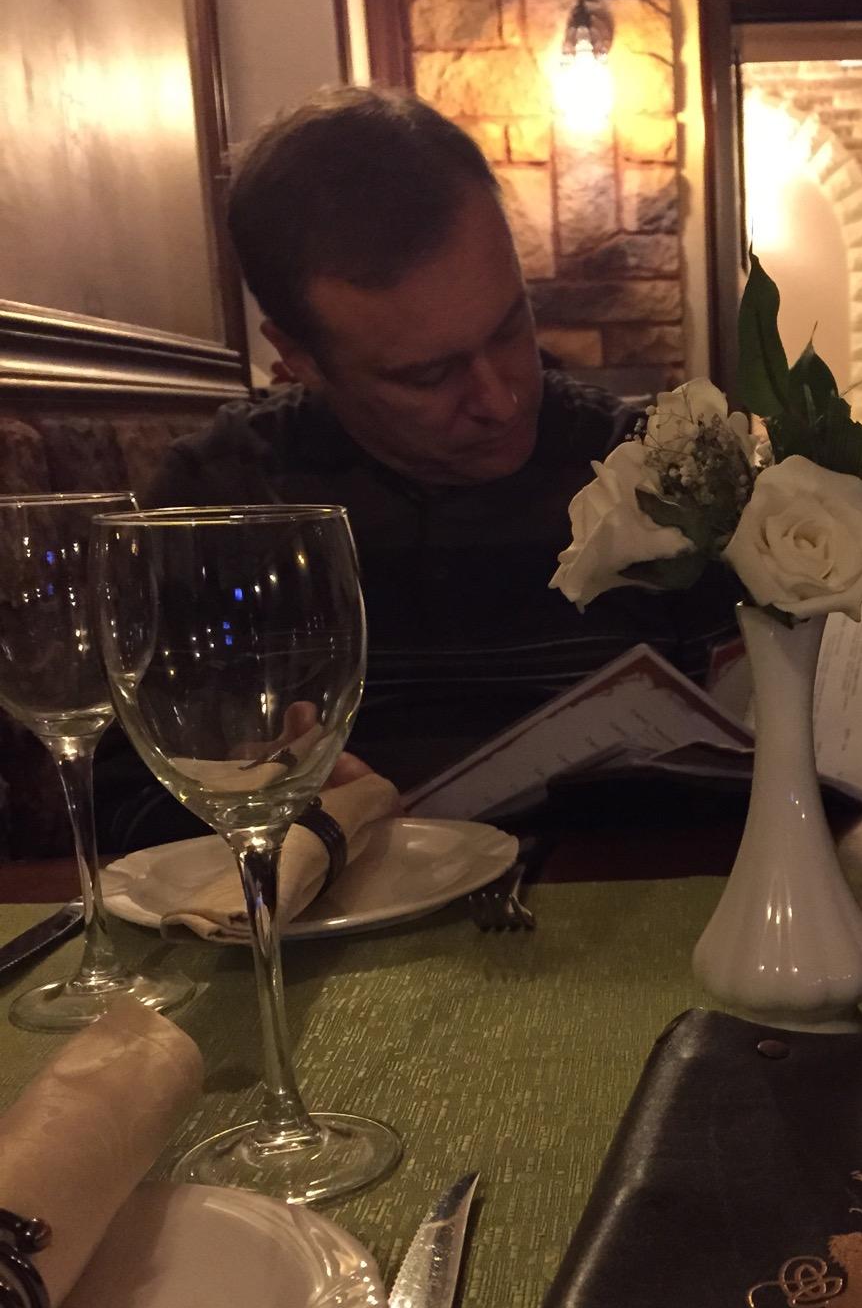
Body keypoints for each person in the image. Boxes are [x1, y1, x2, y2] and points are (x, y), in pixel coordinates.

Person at [107, 86, 733, 843]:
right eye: (429, 376)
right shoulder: (218, 501)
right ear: (299, 359)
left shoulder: (653, 462)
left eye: (510, 328)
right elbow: (118, 811)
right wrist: (262, 806)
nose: (501, 399)